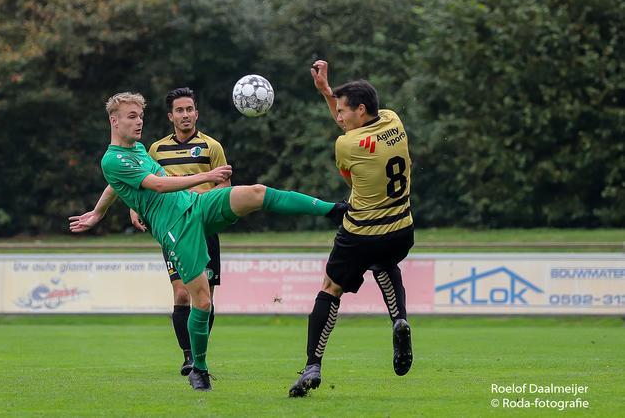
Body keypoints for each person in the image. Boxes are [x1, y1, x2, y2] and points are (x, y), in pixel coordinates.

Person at [68, 92, 346, 392]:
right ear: (114, 120)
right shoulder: (112, 159)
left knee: (256, 192)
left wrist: (98, 212)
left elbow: (115, 186)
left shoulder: (135, 149)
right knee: (201, 300)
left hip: (195, 204)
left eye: (140, 116)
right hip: (175, 227)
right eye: (132, 116)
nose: (139, 122)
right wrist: (209, 175)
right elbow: (158, 184)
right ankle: (198, 368)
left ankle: (331, 210)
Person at [288, 60, 415, 397]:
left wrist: (329, 96)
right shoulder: (393, 120)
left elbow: (348, 175)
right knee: (386, 262)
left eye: (343, 111)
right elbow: (355, 128)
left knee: (330, 288)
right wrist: (328, 94)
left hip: (361, 233)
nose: (339, 116)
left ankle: (313, 363)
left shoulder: (346, 146)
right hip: (402, 230)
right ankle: (399, 319)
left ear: (361, 110)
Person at [129, 88, 228, 376]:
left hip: (204, 227)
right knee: (182, 293)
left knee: (205, 297)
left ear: (196, 112)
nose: (185, 115)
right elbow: (143, 183)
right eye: (179, 110)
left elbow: (224, 187)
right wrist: (135, 208)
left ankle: (200, 356)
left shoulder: (212, 147)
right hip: (174, 229)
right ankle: (188, 357)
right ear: (170, 115)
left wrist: (205, 198)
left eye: (190, 109)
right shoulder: (156, 150)